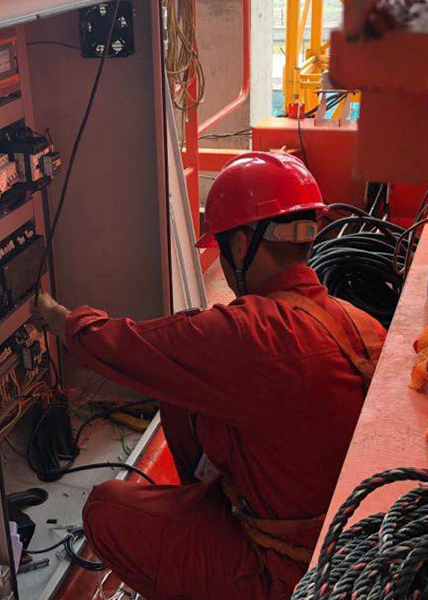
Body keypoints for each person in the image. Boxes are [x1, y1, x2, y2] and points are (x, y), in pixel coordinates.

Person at [32, 151, 385, 600]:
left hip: (287, 575)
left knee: (106, 509)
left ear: (240, 245)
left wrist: (57, 317)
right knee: (183, 396)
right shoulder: (356, 321)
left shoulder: (250, 335)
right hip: (349, 548)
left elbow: (124, 346)